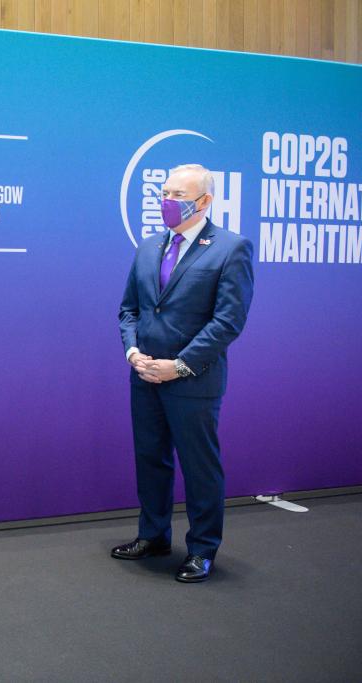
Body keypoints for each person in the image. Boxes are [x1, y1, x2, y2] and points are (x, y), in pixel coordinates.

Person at [114, 163, 254, 582]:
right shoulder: (149, 246)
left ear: (205, 201)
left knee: (199, 466)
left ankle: (202, 549)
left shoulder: (230, 248)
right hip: (145, 376)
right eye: (165, 192)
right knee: (150, 460)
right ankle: (153, 535)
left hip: (192, 381)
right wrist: (133, 352)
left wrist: (179, 365)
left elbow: (227, 322)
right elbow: (129, 309)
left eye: (178, 195)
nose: (167, 201)